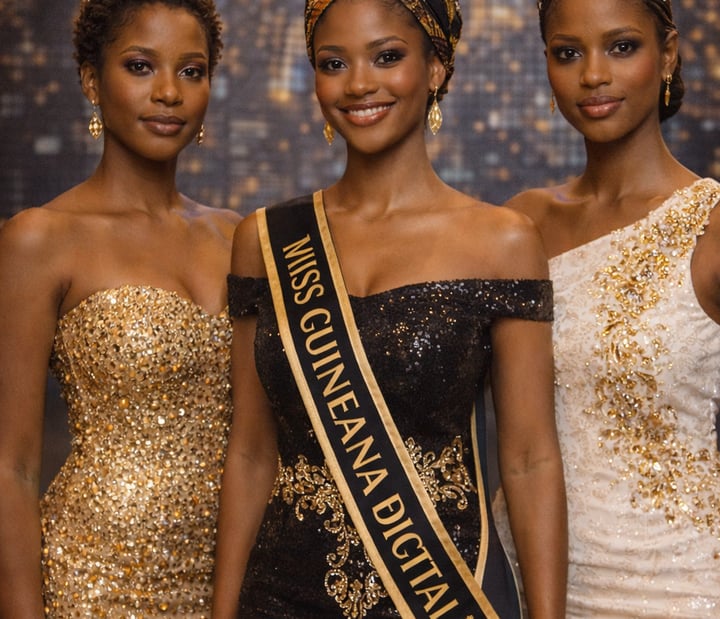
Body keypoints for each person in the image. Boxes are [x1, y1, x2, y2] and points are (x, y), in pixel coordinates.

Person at [212, 0, 567, 617]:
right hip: (278, 598)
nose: (357, 84)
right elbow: (249, 452)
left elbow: (530, 460)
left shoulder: (502, 242)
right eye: (333, 63)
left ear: (436, 67)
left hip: (439, 593)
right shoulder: (266, 240)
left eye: (387, 57)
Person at [499, 0, 720, 615]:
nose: (594, 74)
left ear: (668, 53)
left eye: (622, 47)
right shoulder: (522, 224)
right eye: (568, 53)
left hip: (683, 587)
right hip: (530, 583)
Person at [0, 0, 240, 616]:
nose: (169, 92)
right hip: (93, 582)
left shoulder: (239, 238)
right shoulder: (39, 238)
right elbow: (10, 467)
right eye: (140, 66)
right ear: (90, 80)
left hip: (233, 585)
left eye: (191, 71)